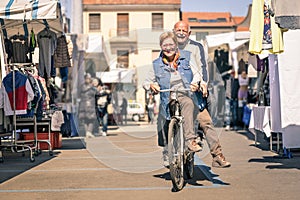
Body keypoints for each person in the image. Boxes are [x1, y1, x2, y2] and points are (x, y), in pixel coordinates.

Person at [173, 21, 231, 168]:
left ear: (189, 33)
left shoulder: (196, 47)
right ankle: (168, 151)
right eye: (178, 30)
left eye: (184, 30)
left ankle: (217, 155)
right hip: (174, 92)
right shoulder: (168, 47)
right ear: (173, 31)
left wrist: (203, 83)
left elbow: (202, 67)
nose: (181, 32)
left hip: (193, 90)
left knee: (206, 121)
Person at [143, 31, 202, 167]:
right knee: (163, 119)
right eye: (165, 45)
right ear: (160, 47)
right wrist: (152, 85)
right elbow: (146, 82)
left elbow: (197, 74)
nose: (168, 48)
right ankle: (166, 150)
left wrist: (194, 83)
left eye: (171, 44)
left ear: (176, 46)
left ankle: (190, 141)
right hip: (167, 95)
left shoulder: (186, 58)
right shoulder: (156, 64)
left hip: (183, 92)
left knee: (187, 104)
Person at [79, 73, 97, 138]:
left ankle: (87, 132)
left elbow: (79, 94)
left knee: (85, 120)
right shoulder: (92, 87)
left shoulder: (82, 86)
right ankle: (89, 132)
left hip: (83, 104)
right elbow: (95, 93)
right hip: (90, 104)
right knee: (91, 119)